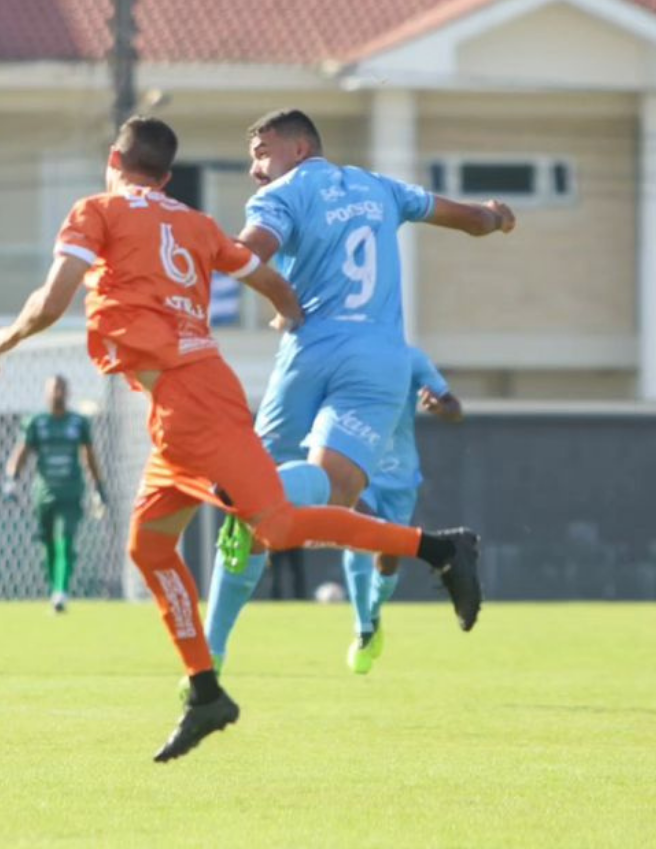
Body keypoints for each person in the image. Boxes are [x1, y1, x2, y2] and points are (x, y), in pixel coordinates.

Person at [0, 116, 481, 763]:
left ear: (114, 160)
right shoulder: (193, 223)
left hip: (193, 402)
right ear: (164, 176)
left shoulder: (95, 210)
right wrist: (291, 313)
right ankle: (206, 690)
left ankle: (439, 548)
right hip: (179, 401)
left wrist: (8, 335)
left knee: (274, 524)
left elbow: (52, 302)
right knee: (151, 545)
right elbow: (268, 278)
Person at [203, 108, 514, 672]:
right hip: (378, 359)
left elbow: (247, 253)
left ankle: (212, 655)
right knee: (334, 494)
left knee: (252, 515)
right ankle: (256, 499)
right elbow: (468, 219)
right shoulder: (380, 188)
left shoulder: (284, 193)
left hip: (311, 351)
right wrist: (495, 217)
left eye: (261, 153)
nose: (254, 169)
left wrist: (220, 265)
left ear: (299, 150)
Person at [344, 345, 463, 674]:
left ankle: (373, 610)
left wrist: (440, 408)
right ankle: (363, 629)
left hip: (399, 478)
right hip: (355, 464)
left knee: (388, 556)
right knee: (356, 530)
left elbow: (455, 409)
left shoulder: (410, 359)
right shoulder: (344, 352)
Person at [3, 374, 108, 613]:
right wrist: (11, 479)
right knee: (48, 543)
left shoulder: (78, 423)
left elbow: (89, 456)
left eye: (61, 389)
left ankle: (61, 591)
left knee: (66, 539)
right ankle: (54, 589)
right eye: (53, 389)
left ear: (67, 393)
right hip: (44, 493)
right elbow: (22, 452)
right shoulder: (36, 422)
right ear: (46, 393)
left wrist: (98, 486)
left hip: (71, 490)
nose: (57, 393)